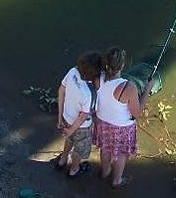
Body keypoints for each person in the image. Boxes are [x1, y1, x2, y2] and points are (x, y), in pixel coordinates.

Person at [94, 46, 154, 188]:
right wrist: (147, 90)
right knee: (122, 153)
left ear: (106, 64)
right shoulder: (129, 87)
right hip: (122, 128)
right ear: (122, 65)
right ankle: (117, 181)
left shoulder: (98, 78)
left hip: (102, 122)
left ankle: (105, 171)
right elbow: (137, 113)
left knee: (105, 148)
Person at [55, 51, 102, 177]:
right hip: (82, 127)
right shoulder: (89, 93)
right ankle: (74, 169)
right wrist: (71, 130)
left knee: (69, 140)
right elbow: (83, 115)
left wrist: (60, 117)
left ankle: (63, 160)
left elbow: (61, 90)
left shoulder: (72, 72)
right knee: (79, 150)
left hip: (66, 117)